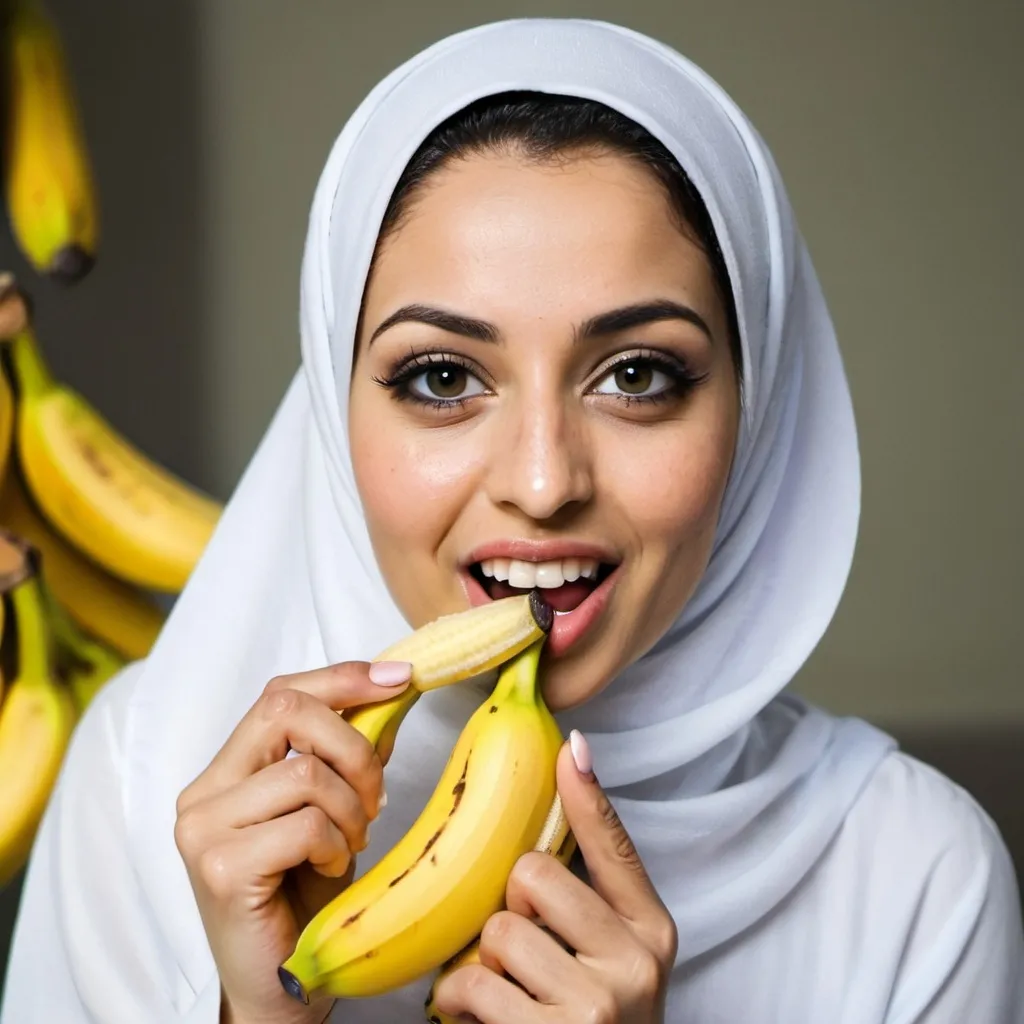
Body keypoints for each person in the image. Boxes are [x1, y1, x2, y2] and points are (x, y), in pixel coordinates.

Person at [2, 16, 1022, 1024]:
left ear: (755, 414)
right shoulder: (146, 781)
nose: (542, 482)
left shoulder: (917, 880)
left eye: (637, 374)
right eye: (443, 376)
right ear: (330, 406)